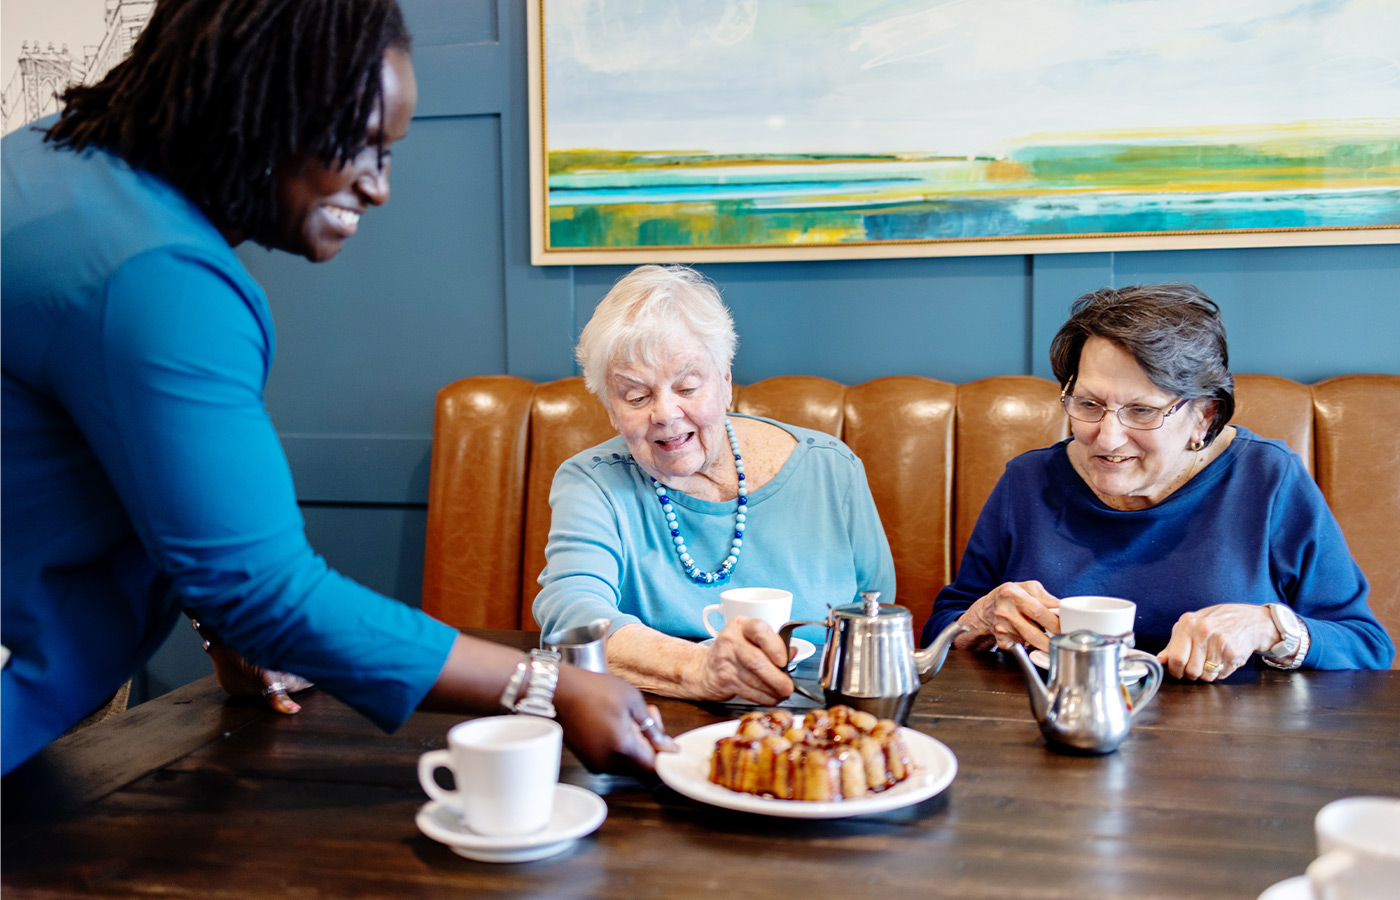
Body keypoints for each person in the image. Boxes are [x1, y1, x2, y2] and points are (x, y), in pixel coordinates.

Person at [1, 0, 672, 778]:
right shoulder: (160, 279)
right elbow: (264, 588)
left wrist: (225, 624)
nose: (379, 186)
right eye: (360, 144)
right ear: (258, 99)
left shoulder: (48, 161)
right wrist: (547, 687)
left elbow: (144, 468)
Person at [923, 283, 1394, 679]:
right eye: (1088, 405)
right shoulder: (1028, 481)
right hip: (1056, 734)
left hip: (1230, 751)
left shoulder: (1267, 480)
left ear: (1203, 417)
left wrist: (1268, 628)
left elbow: (1366, 645)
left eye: (1142, 411)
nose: (1107, 437)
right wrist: (982, 618)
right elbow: (943, 629)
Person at [533, 265, 896, 706]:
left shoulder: (830, 470)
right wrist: (698, 670)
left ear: (725, 382)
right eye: (635, 397)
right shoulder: (592, 483)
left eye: (687, 386)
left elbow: (874, 616)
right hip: (654, 731)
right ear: (611, 409)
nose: (665, 414)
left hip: (818, 730)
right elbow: (573, 619)